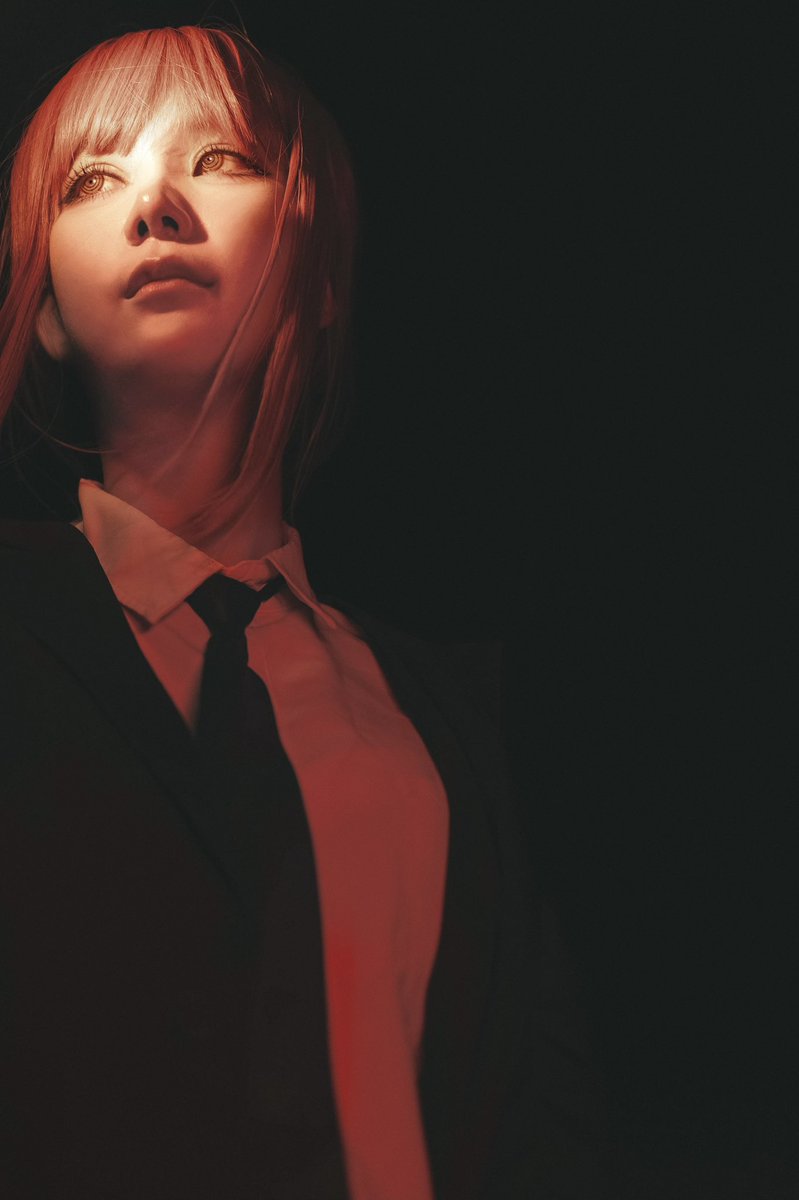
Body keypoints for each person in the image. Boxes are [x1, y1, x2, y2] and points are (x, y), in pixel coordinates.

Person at [0, 25, 601, 1200]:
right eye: (91, 179)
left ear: (321, 274)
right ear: (48, 310)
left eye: (220, 158)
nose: (155, 205)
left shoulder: (447, 722)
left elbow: (539, 1120)